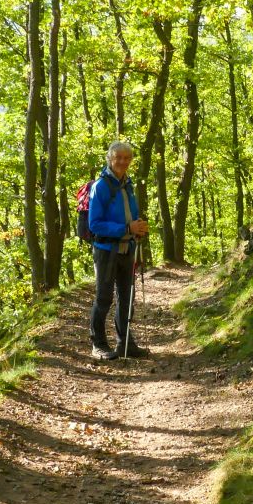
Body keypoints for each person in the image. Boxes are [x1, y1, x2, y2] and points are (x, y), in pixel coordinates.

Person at [87, 141, 150, 360]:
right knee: (104, 298)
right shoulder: (101, 186)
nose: (123, 162)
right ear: (110, 159)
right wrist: (125, 228)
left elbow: (130, 214)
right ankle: (99, 345)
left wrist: (137, 227)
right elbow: (94, 224)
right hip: (106, 250)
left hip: (127, 248)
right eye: (118, 158)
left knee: (126, 297)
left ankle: (125, 344)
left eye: (127, 158)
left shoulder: (127, 184)